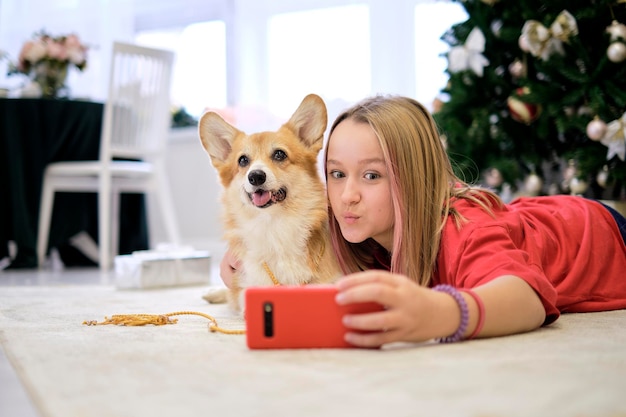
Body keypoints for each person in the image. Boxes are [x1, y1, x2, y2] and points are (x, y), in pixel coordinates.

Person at [220, 95, 626, 348]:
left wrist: (438, 314)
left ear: (413, 180)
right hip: (535, 213)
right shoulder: (351, 221)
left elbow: (527, 299)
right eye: (338, 174)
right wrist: (239, 266)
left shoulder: (464, 227)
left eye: (372, 175)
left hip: (602, 231)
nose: (348, 195)